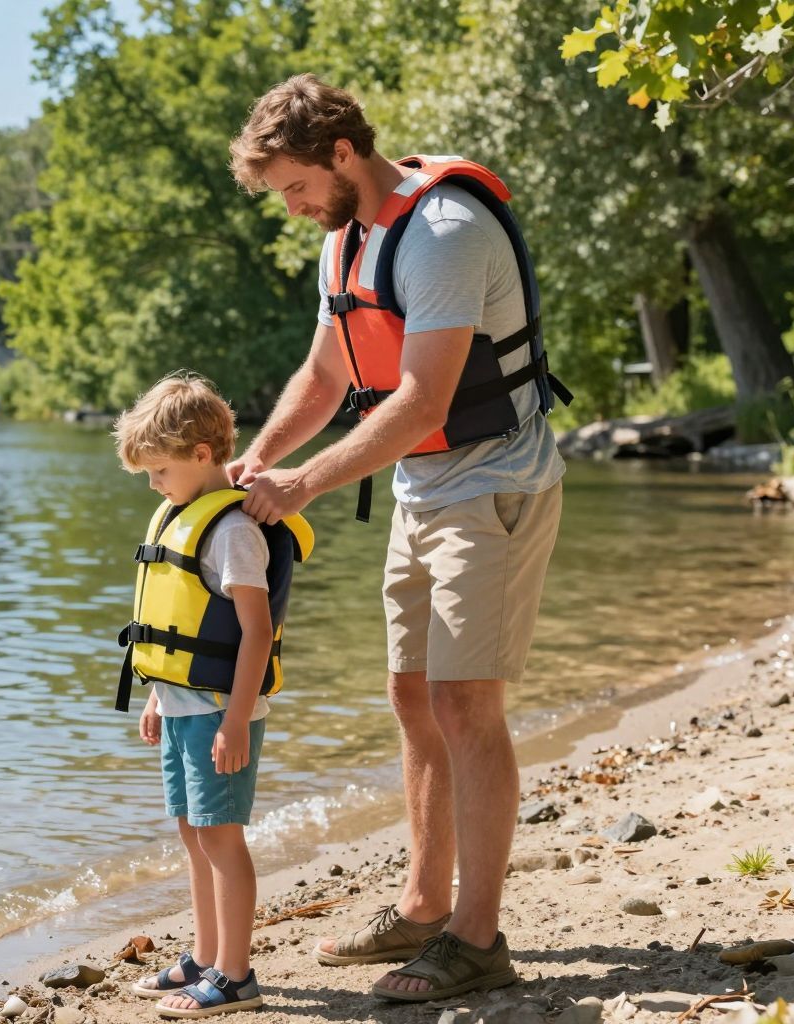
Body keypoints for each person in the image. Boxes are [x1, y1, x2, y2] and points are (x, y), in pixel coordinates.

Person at [223, 74, 568, 1002]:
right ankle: (423, 908)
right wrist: (258, 457)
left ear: (342, 153)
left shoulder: (446, 233)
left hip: (494, 483)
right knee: (412, 694)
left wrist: (302, 486)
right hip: (423, 489)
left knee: (467, 704)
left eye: (295, 186)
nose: (292, 208)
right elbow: (329, 368)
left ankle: (477, 938)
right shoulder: (346, 239)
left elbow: (419, 399)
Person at [114, 372, 313, 1018]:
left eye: (160, 470)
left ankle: (236, 975)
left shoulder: (231, 533)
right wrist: (155, 696)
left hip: (221, 715)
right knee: (193, 832)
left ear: (203, 455)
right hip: (181, 708)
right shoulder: (181, 513)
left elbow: (257, 631)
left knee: (222, 838)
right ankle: (204, 957)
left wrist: (233, 719)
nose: (154, 485)